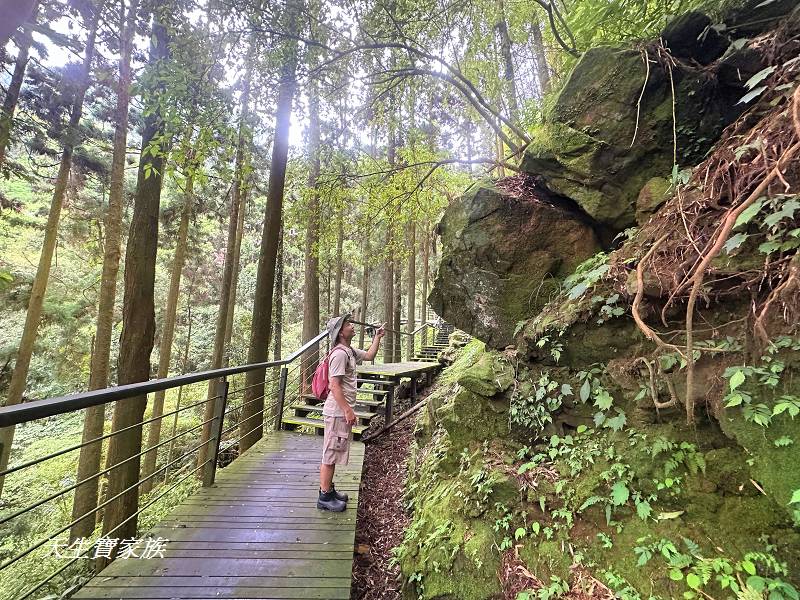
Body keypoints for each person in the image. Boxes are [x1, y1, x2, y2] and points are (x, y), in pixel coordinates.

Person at [318, 313, 385, 512]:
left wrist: (377, 337)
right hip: (337, 411)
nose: (352, 325)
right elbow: (334, 385)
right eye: (348, 324)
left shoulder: (348, 351)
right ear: (340, 333)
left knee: (335, 450)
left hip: (341, 411)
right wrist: (348, 410)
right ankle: (324, 497)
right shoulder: (339, 354)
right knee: (330, 453)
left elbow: (370, 356)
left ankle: (329, 490)